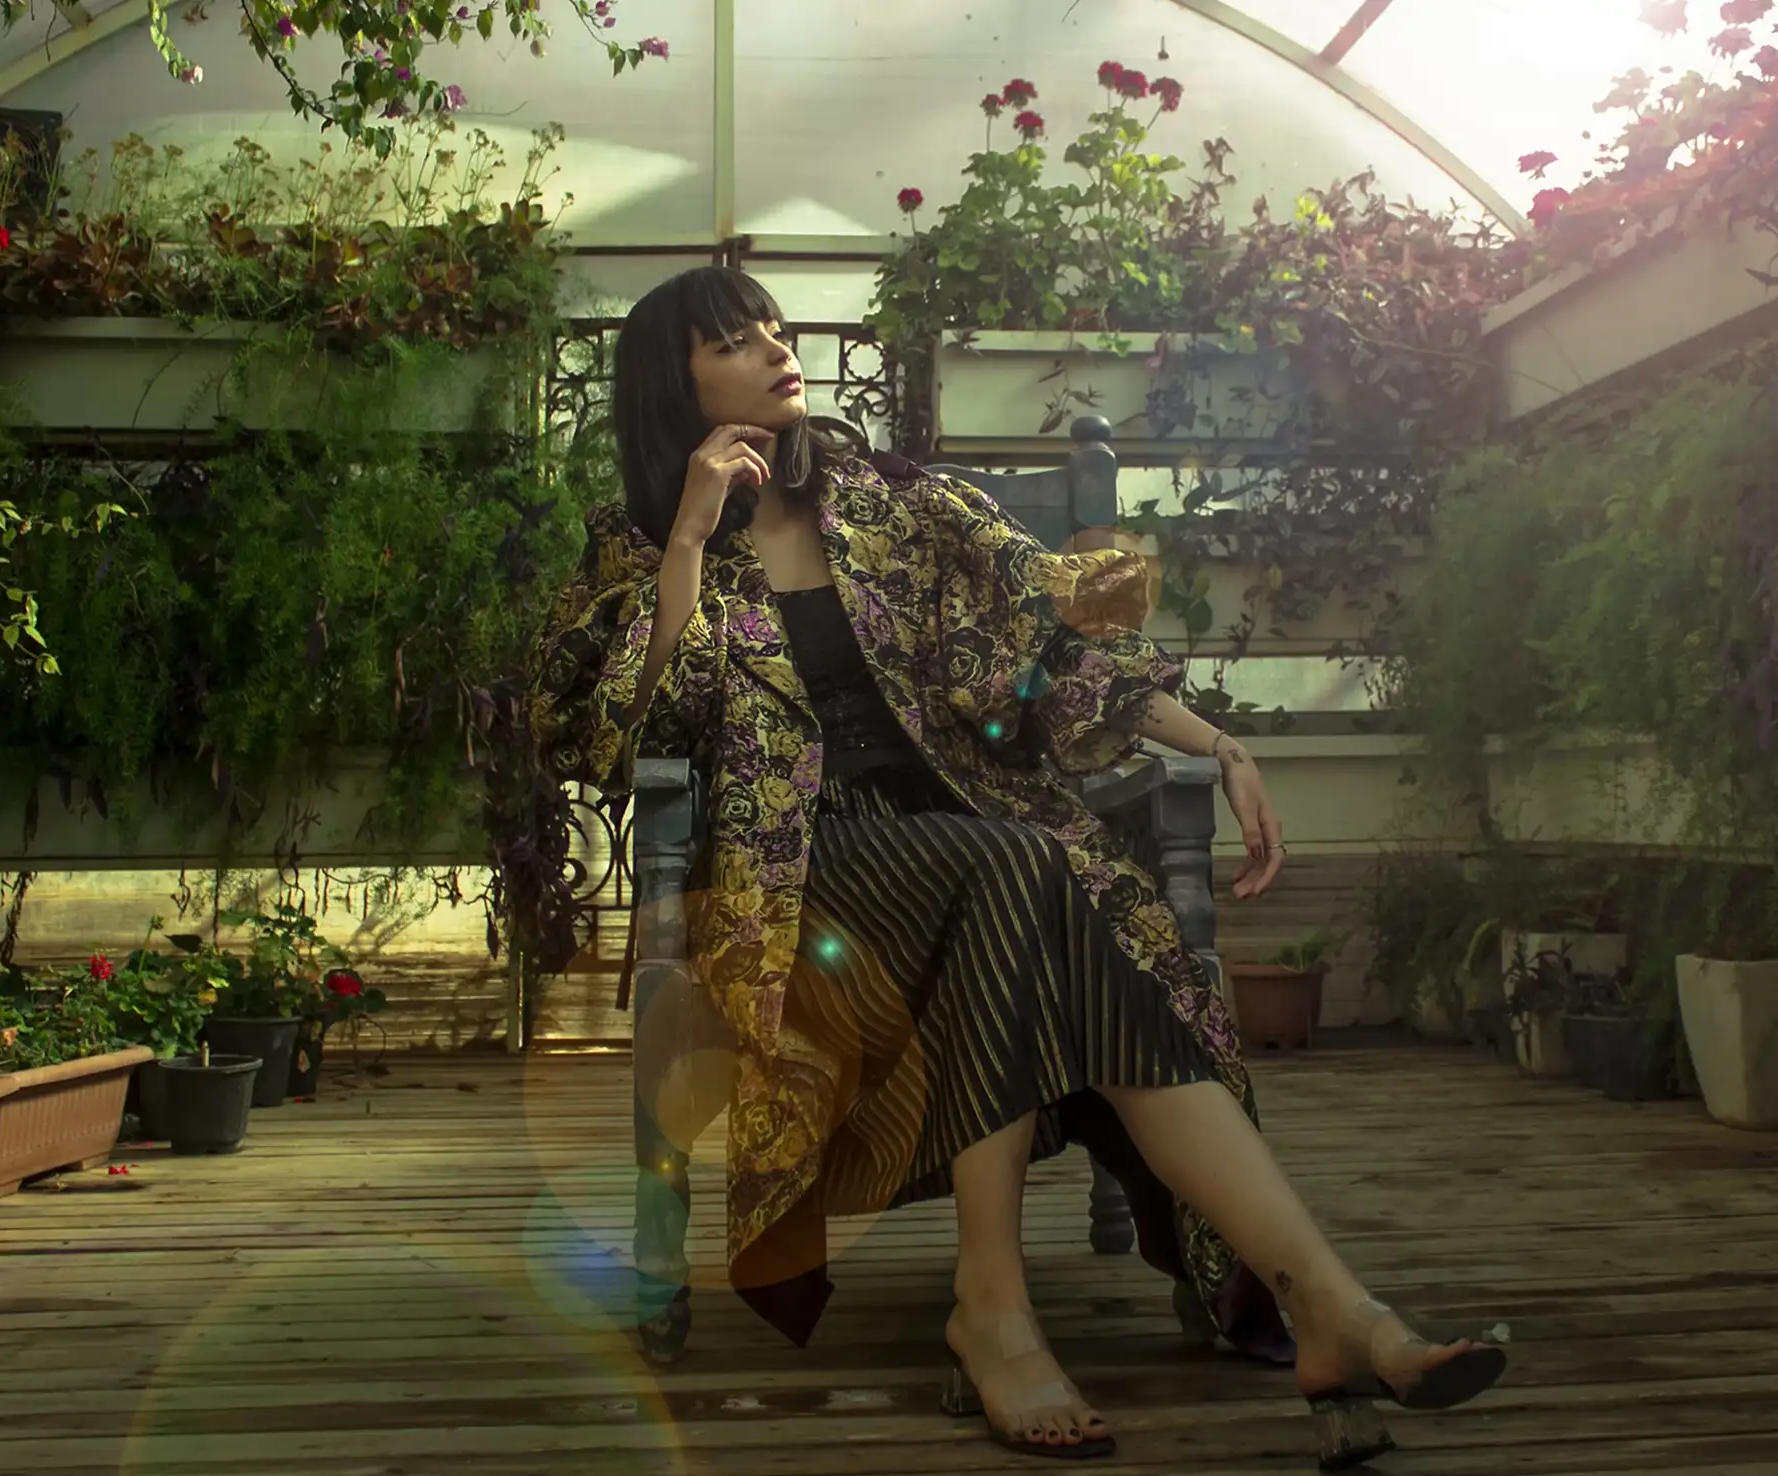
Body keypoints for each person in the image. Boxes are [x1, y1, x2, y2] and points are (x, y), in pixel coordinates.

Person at [534, 266, 1503, 1468]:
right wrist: (686, 533)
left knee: (1028, 878)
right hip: (796, 873)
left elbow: (1053, 644)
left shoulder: (894, 502)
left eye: (775, 324)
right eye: (736, 341)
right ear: (673, 385)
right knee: (1026, 870)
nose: (778, 347)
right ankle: (1030, 1310)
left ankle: (1321, 1305)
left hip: (974, 843)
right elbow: (603, 731)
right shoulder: (633, 541)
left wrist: (1222, 742)